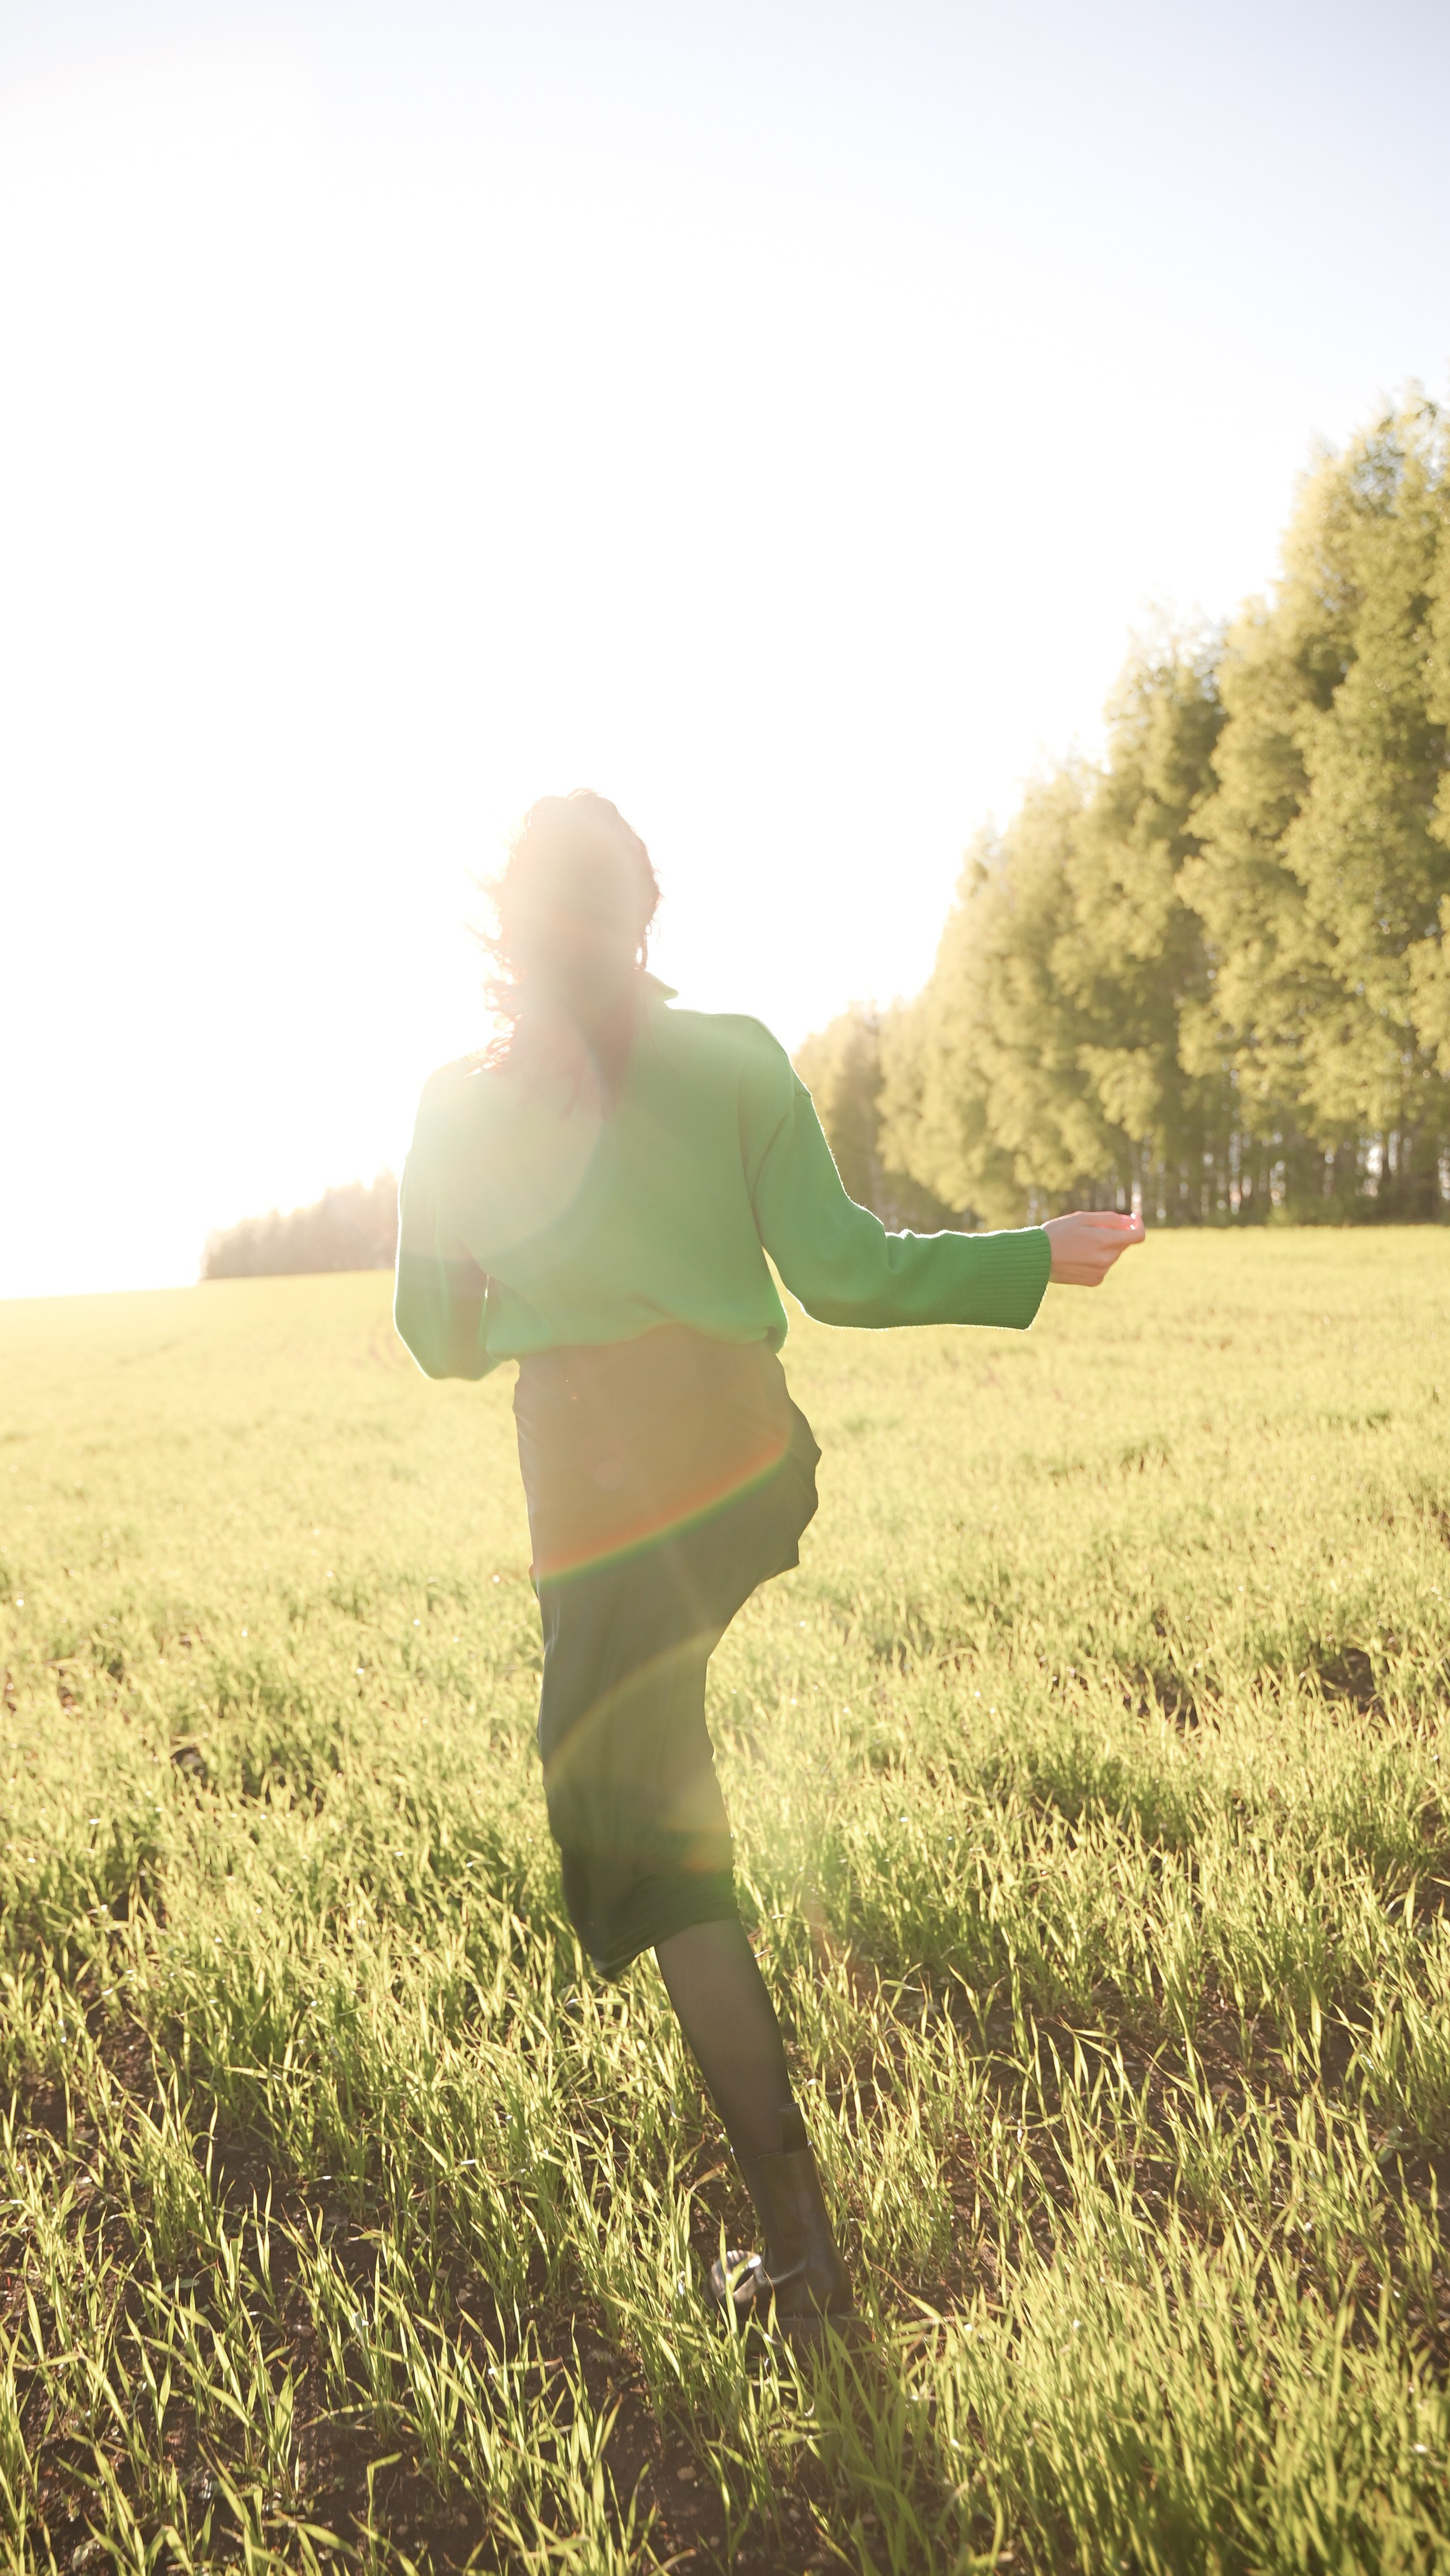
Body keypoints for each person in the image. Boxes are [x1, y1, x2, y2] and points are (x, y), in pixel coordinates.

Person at [393, 791, 1141, 2340]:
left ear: (507, 931)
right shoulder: (732, 1057)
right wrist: (1031, 1254)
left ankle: (797, 2240)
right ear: (649, 924)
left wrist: (500, 1280)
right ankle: (785, 2210)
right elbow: (847, 1275)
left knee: (656, 1847)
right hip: (740, 1465)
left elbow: (436, 1342)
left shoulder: (456, 1107)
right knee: (641, 1800)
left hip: (599, 1492)